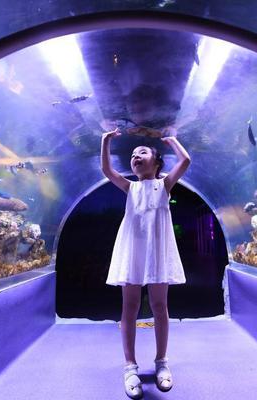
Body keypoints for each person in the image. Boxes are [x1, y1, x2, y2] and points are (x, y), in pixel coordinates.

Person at [100, 128, 191, 399]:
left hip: (158, 251)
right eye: (132, 155)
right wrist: (105, 140)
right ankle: (130, 366)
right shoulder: (130, 187)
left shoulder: (164, 185)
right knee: (129, 306)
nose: (135, 156)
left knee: (160, 305)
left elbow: (185, 160)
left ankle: (161, 361)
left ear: (157, 162)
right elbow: (107, 170)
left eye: (142, 152)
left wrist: (171, 140)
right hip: (133, 250)